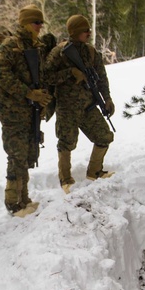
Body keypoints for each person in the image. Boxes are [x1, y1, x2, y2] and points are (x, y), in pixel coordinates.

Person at [0, 5, 51, 216]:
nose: (40, 26)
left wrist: (41, 100)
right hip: (13, 112)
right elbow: (1, 75)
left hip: (31, 111)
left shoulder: (37, 47)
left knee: (27, 154)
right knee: (16, 156)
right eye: (36, 22)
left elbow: (40, 77)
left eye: (41, 23)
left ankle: (24, 199)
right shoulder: (10, 46)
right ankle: (12, 202)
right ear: (25, 23)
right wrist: (28, 93)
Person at [44, 14, 115, 193]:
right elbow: (46, 77)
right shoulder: (58, 52)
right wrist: (69, 73)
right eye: (85, 30)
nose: (89, 33)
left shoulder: (90, 52)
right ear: (75, 32)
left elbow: (102, 79)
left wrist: (107, 98)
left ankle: (94, 171)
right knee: (66, 142)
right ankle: (65, 179)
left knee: (104, 136)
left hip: (88, 106)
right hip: (67, 107)